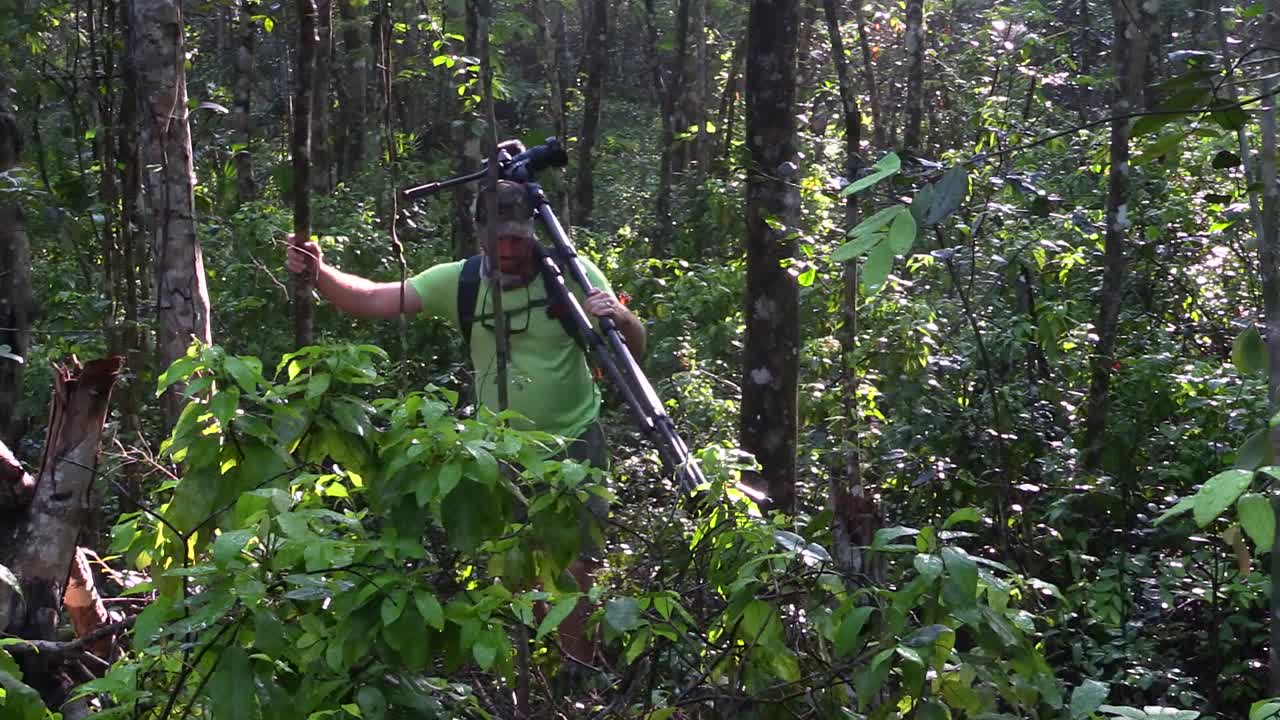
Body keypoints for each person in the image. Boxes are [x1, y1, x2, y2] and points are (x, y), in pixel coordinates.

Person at [285, 179, 645, 666]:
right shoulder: (462, 280)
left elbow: (634, 354)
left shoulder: (571, 275)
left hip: (576, 444)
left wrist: (622, 320)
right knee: (516, 570)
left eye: (518, 237)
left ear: (533, 232)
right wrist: (320, 273)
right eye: (499, 238)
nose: (509, 248)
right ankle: (530, 682)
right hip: (499, 454)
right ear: (479, 235)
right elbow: (373, 298)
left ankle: (575, 677)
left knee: (575, 570)